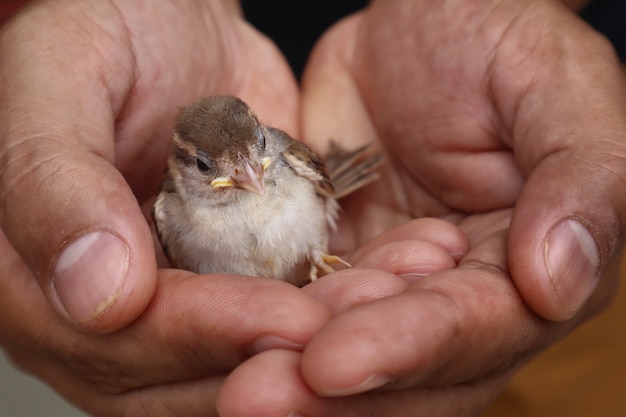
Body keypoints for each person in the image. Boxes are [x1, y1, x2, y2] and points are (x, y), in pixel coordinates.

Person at [0, 0, 624, 416]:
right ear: (181, 167)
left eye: (259, 149)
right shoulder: (167, 213)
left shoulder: (289, 162)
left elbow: (308, 184)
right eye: (211, 168)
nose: (249, 173)